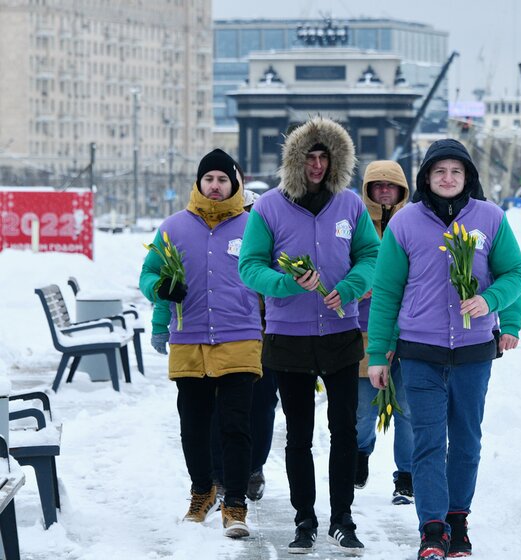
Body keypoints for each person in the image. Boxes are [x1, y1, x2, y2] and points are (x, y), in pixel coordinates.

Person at [366, 139, 521, 560]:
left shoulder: (490, 219)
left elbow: (514, 273)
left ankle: (458, 519)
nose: (448, 179)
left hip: (474, 352)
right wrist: (380, 354)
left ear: (468, 176)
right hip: (420, 351)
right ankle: (432, 529)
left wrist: (494, 307)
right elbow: (385, 292)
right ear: (426, 178)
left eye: (456, 172)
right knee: (428, 441)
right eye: (440, 172)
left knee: (468, 440)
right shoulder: (405, 225)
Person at [238, 116, 378, 555]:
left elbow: (371, 255)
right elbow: (249, 266)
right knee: (298, 434)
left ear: (336, 161)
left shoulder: (350, 205)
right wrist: (284, 284)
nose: (317, 165)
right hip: (288, 336)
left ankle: (342, 517)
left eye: (325, 157)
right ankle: (305, 518)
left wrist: (351, 288)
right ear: (295, 160)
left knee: (345, 432)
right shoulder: (269, 208)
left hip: (341, 334)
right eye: (310, 157)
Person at [139, 148, 260, 538]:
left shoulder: (253, 225)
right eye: (208, 178)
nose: (215, 185)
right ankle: (202, 490)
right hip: (189, 337)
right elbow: (149, 274)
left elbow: (269, 276)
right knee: (193, 425)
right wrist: (159, 290)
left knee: (236, 425)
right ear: (198, 182)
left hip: (239, 336)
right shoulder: (174, 226)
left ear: (234, 184)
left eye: (223, 179)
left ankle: (236, 503)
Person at [150, 189, 279, 505]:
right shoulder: (189, 231)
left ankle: (253, 468)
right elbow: (170, 281)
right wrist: (160, 322)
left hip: (266, 334)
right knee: (218, 410)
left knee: (261, 406)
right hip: (221, 334)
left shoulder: (264, 232)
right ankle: (220, 477)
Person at [354, 160, 415, 505]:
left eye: (391, 186)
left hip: (409, 332)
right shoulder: (357, 226)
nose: (384, 192)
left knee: (407, 408)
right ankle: (360, 453)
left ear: (402, 189)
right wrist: (360, 285)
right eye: (377, 186)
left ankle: (406, 475)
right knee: (364, 408)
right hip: (366, 332)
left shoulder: (415, 223)